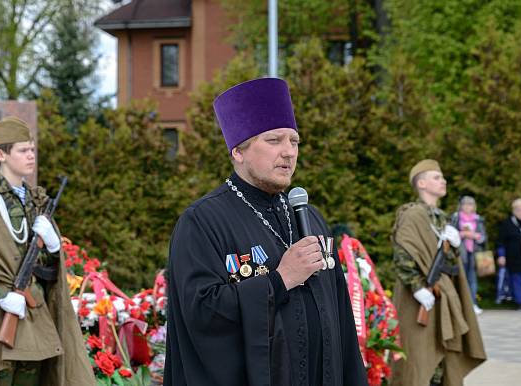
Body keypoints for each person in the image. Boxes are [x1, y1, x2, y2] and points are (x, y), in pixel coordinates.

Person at [164, 78, 367, 386]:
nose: (288, 152)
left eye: (294, 141)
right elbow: (200, 313)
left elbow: (339, 319)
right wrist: (279, 280)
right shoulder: (201, 222)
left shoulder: (310, 217)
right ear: (238, 152)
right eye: (274, 141)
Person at [0, 117, 94, 386]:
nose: (31, 156)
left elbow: (48, 270)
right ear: (1, 154)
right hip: (0, 312)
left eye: (32, 149)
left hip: (36, 314)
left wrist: (53, 247)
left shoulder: (36, 200)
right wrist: (2, 296)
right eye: (22, 150)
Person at [391, 160, 485, 386]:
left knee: (443, 363)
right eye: (436, 177)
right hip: (418, 300)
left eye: (442, 177)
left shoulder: (441, 217)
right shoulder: (412, 214)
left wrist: (453, 246)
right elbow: (403, 254)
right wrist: (417, 288)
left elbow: (451, 266)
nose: (443, 181)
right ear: (421, 183)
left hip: (441, 298)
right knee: (419, 359)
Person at [449, 196, 487, 314]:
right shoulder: (456, 218)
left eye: (470, 204)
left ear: (474, 206)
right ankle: (459, 305)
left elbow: (483, 237)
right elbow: (450, 234)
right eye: (465, 204)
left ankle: (473, 304)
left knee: (472, 279)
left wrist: (475, 236)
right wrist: (463, 234)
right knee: (460, 278)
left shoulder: (478, 219)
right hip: (460, 253)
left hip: (474, 253)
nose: (467, 206)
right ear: (461, 205)